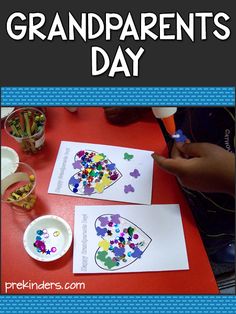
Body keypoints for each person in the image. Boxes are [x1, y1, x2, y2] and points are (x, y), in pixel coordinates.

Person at [152, 107, 235, 276]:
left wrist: (229, 175)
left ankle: (215, 249)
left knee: (206, 237)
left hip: (222, 209)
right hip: (187, 136)